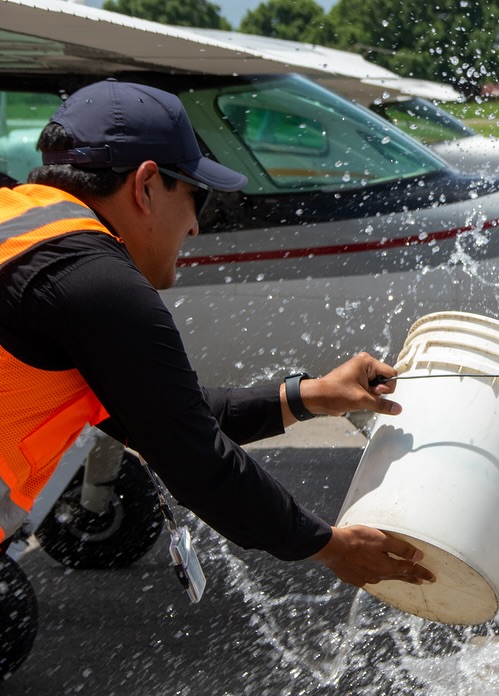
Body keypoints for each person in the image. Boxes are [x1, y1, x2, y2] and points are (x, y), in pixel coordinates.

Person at [0, 79, 434, 589]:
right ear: (145, 184)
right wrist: (330, 546)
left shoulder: (23, 229)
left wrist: (310, 395)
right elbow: (194, 458)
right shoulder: (94, 278)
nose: (194, 228)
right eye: (195, 196)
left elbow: (167, 412)